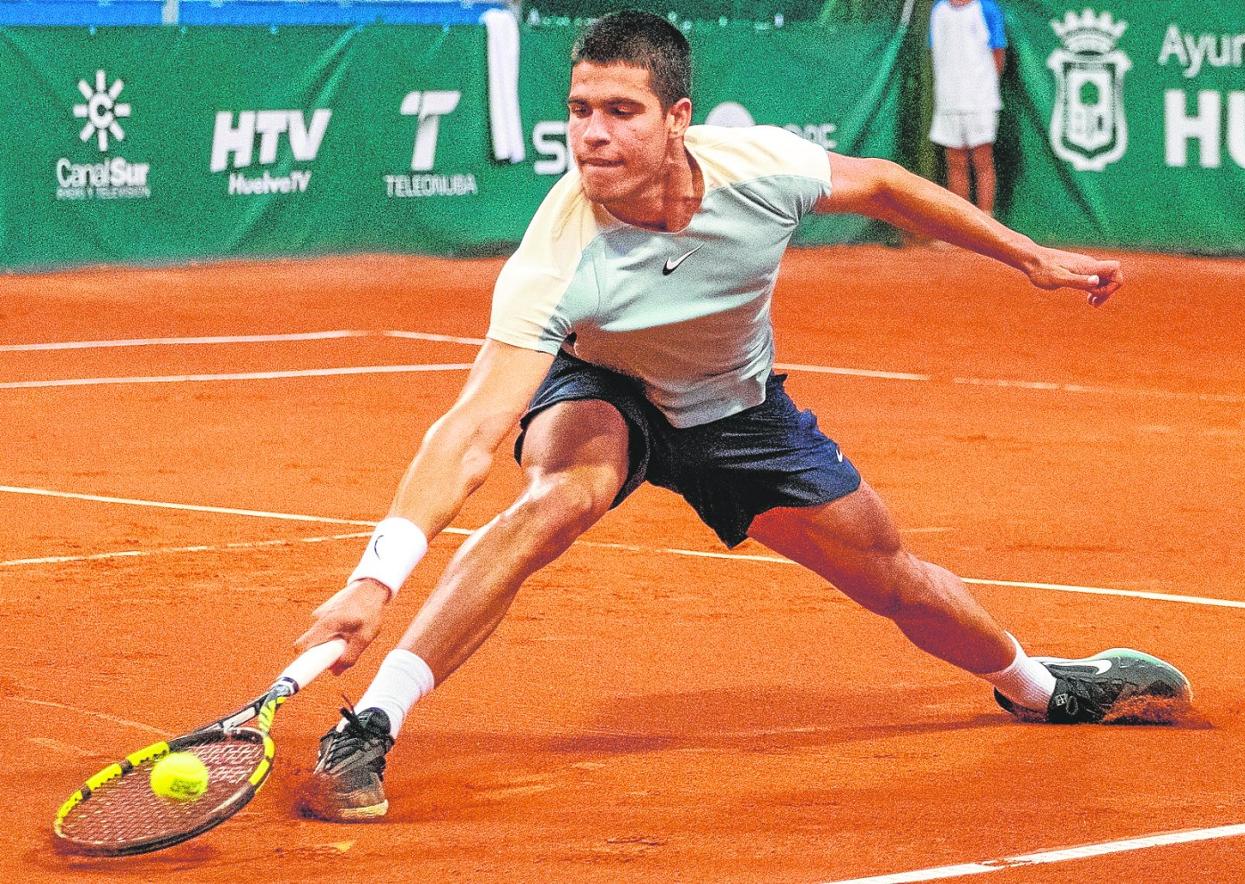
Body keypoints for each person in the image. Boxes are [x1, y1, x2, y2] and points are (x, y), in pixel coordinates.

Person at [295, 10, 1189, 822]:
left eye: (620, 110)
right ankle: (373, 721)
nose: (592, 133)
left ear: (678, 118)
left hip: (737, 409)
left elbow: (881, 184)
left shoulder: (756, 169)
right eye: (579, 109)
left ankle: (1038, 687)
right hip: (609, 388)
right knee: (560, 495)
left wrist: (1025, 254)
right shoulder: (556, 256)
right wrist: (375, 580)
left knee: (895, 577)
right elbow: (469, 430)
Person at [929, 0, 1007, 215]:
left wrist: (983, 87)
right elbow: (937, 52)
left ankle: (987, 225)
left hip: (980, 99)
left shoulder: (987, 8)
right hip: (948, 99)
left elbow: (998, 53)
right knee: (955, 161)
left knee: (982, 161)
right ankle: (961, 227)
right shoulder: (938, 10)